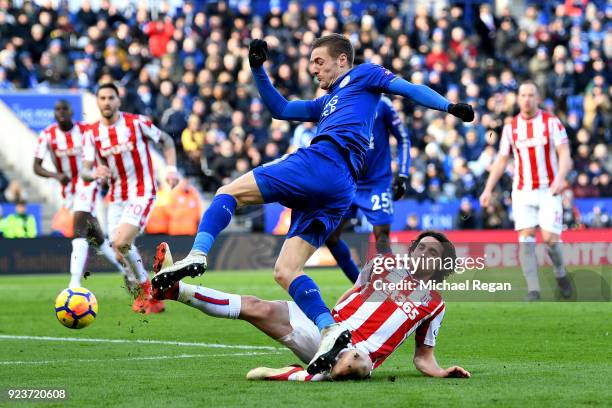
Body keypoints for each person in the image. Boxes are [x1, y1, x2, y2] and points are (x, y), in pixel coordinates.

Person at [153, 34, 474, 374]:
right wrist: (257, 69)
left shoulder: (364, 74)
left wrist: (448, 107)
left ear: (341, 60)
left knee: (227, 192)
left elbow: (408, 88)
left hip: (322, 161)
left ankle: (198, 254)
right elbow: (280, 109)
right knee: (286, 271)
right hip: (341, 189)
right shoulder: (327, 103)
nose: (313, 70)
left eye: (319, 62)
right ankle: (330, 328)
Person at [152, 231, 470, 381]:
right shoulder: (383, 266)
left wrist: (443, 372)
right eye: (421, 247)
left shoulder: (433, 305)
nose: (423, 253)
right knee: (256, 307)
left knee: (354, 365)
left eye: (432, 252)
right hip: (327, 327)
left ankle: (289, 374)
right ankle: (177, 290)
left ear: (441, 263)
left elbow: (423, 358)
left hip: (359, 354)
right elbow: (353, 291)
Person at [81, 82, 179, 314]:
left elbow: (166, 140)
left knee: (121, 241)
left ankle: (147, 290)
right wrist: (94, 172)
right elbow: (85, 169)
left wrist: (171, 169)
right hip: (115, 197)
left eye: (110, 98)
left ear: (118, 101)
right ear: (97, 102)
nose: (106, 102)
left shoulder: (136, 123)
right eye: (102, 98)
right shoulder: (91, 134)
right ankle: (146, 295)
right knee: (118, 249)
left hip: (142, 191)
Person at [479, 81, 573, 301]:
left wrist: (560, 179)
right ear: (518, 98)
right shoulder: (511, 128)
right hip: (522, 191)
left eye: (531, 95)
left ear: (537, 98)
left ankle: (560, 274)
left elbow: (565, 154)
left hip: (549, 189)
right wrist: (487, 189)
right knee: (526, 239)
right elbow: (501, 160)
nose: (527, 99)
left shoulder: (551, 122)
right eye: (523, 95)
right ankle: (534, 290)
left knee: (551, 240)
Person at [33, 100, 128, 289]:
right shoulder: (48, 135)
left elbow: (101, 150)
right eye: (57, 110)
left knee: (79, 228)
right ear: (54, 114)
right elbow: (36, 166)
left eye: (64, 109)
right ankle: (127, 270)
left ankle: (74, 283)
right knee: (97, 236)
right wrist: (56, 175)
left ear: (71, 112)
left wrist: (102, 171)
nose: (61, 113)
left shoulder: (85, 130)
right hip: (69, 191)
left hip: (88, 182)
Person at [325, 96, 411, 283]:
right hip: (348, 182)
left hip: (377, 183)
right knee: (330, 237)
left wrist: (403, 174)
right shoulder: (340, 101)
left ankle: (400, 290)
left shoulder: (383, 104)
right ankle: (361, 286)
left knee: (381, 240)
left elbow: (403, 138)